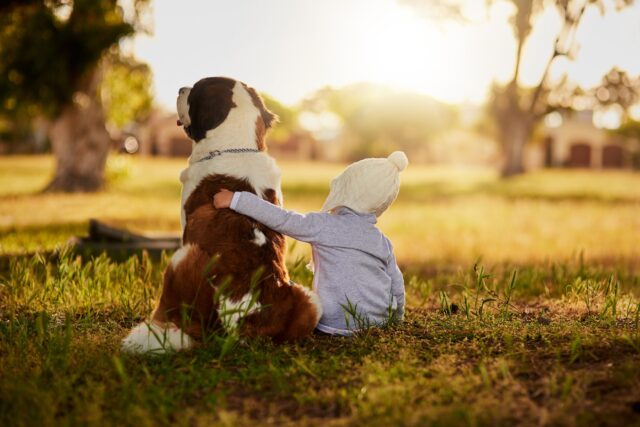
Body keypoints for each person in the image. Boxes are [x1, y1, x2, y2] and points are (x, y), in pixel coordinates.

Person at [213, 151, 408, 336]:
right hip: (378, 323)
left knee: (286, 287)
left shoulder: (324, 225)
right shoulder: (382, 241)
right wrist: (396, 319)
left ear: (346, 189)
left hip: (333, 324)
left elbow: (283, 219)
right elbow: (397, 285)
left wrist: (236, 199)